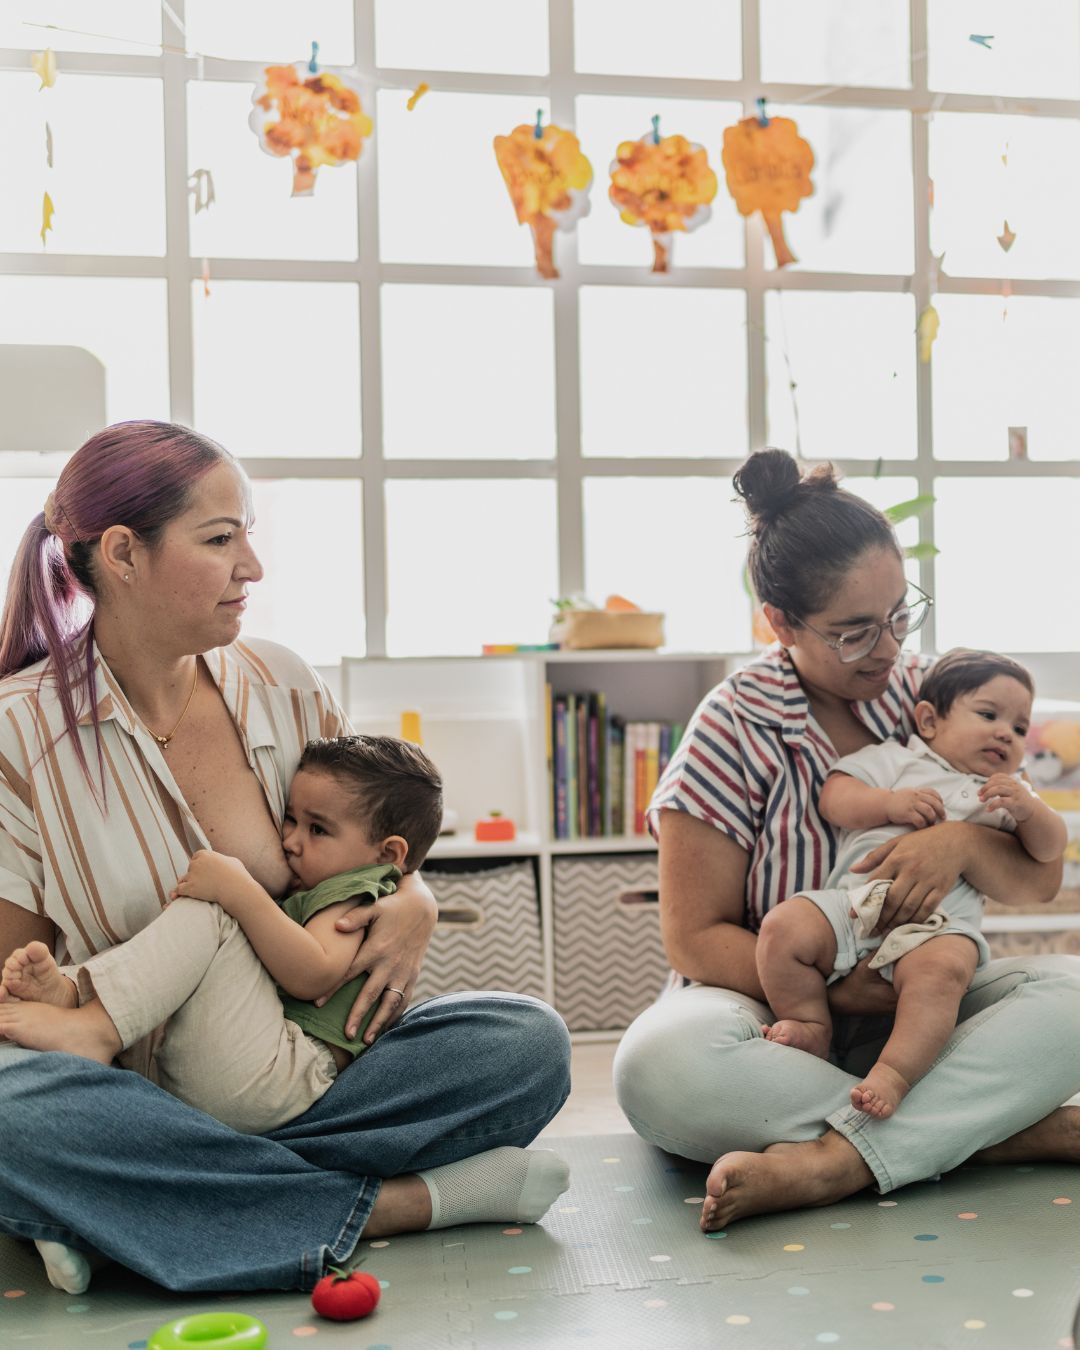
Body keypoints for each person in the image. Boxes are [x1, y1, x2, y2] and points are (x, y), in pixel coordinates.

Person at [0, 421, 571, 1295]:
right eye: (220, 539)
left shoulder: (285, 684)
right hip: (122, 1091)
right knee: (14, 1112)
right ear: (122, 553)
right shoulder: (17, 734)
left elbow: (378, 838)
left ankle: (139, 1204)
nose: (253, 567)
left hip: (299, 1074)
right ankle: (396, 1204)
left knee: (525, 1043)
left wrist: (412, 896)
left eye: (249, 536)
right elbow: (15, 997)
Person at [612, 448, 1080, 1237]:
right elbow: (693, 939)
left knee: (1072, 996)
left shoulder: (939, 695)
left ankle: (835, 1161)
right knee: (660, 1070)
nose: (890, 649)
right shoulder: (731, 726)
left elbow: (1036, 883)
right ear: (781, 624)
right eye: (855, 633)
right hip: (776, 1012)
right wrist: (834, 989)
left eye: (899, 615)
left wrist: (960, 846)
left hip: (924, 999)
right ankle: (992, 1133)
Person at [0, 733, 453, 1135]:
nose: (291, 841)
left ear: (387, 854)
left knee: (216, 915)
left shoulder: (356, 893)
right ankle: (77, 995)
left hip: (284, 1074)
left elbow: (314, 973)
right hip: (244, 1069)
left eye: (317, 829)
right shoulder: (337, 880)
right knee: (186, 952)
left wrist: (239, 891)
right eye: (290, 819)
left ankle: (96, 1026)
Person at [757, 648, 1067, 1119]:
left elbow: (1048, 852)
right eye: (988, 715)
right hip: (853, 906)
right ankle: (810, 1022)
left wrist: (1030, 810)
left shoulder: (1006, 794)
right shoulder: (898, 760)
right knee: (783, 928)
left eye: (1020, 728)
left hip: (937, 929)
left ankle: (894, 1074)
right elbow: (835, 796)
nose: (1006, 732)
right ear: (928, 721)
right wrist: (888, 804)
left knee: (942, 974)